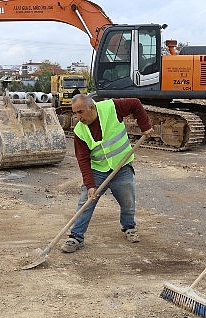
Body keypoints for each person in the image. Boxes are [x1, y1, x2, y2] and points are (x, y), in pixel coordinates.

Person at [61, 94, 153, 253]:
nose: (78, 117)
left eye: (80, 112)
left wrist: (144, 125)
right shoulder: (79, 131)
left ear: (92, 107)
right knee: (85, 202)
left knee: (128, 201)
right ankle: (76, 237)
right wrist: (90, 185)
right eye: (75, 113)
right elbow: (83, 160)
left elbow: (135, 103)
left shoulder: (112, 108)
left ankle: (129, 227)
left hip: (122, 167)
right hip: (98, 171)